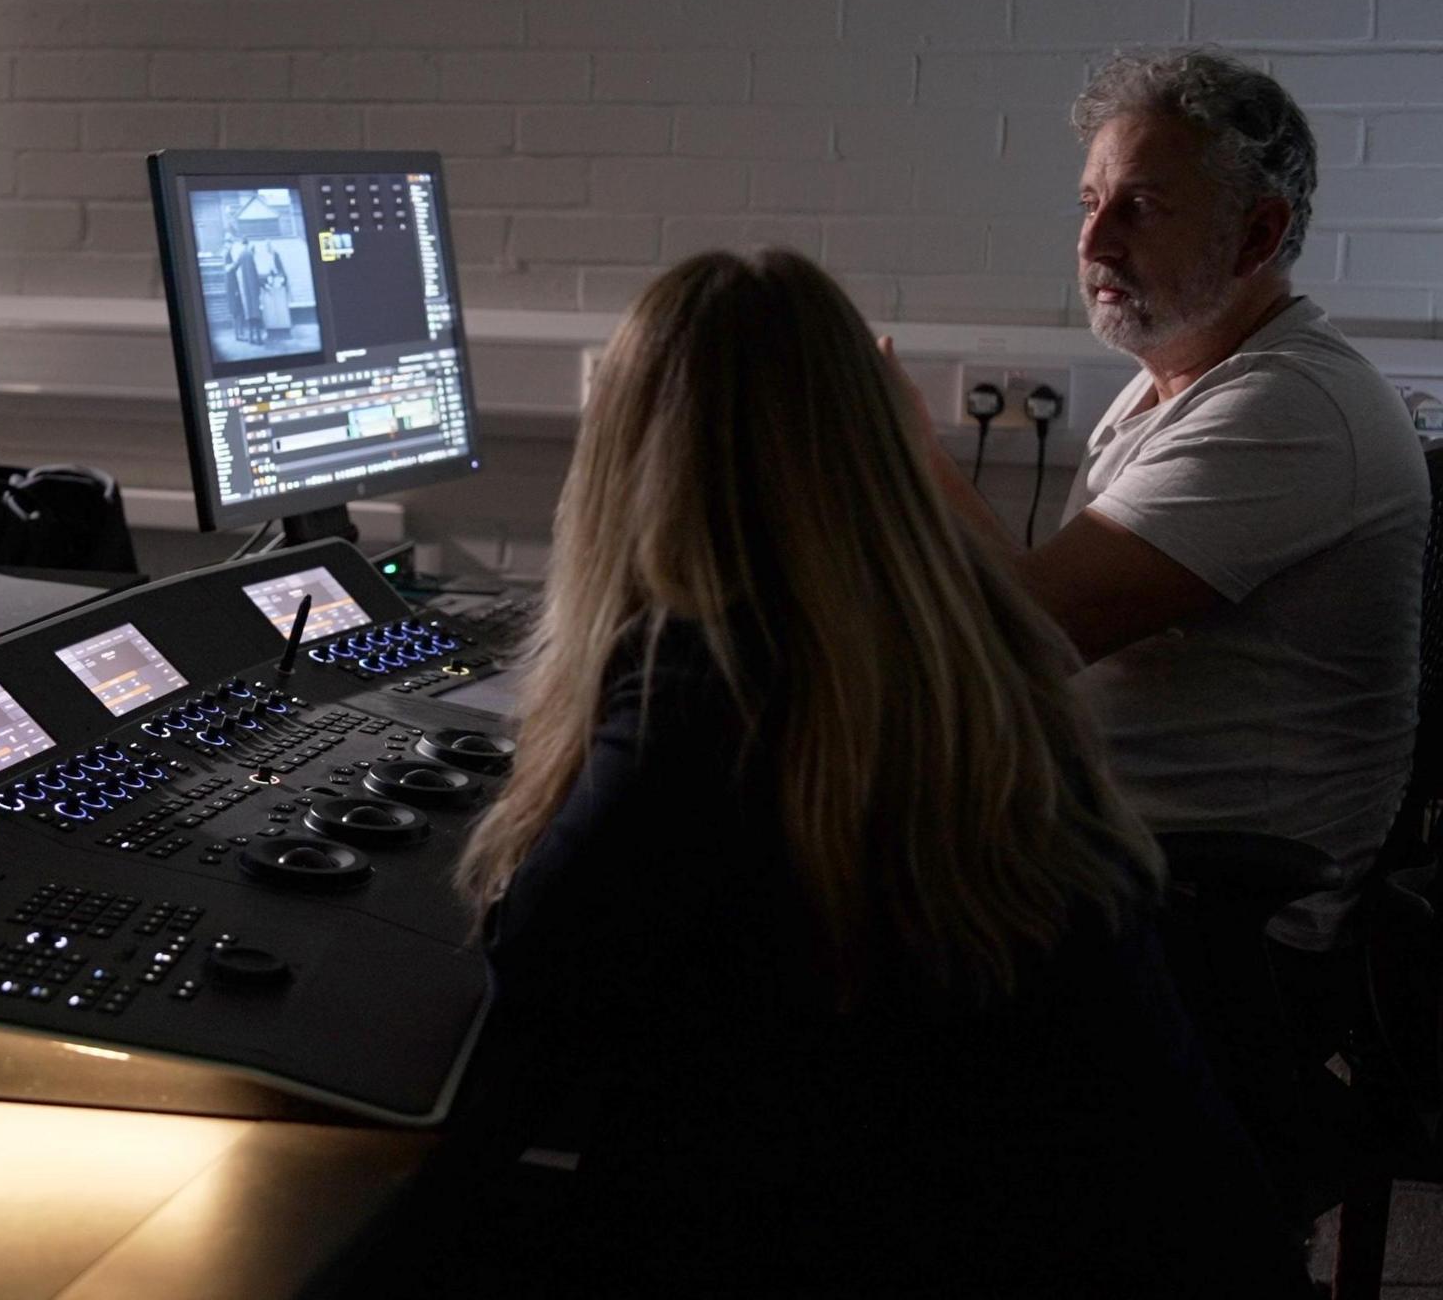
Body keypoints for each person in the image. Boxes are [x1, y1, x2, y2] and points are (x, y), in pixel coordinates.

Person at [337, 250, 1303, 1296]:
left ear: (625, 458)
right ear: (870, 443)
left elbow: (529, 991)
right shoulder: (960, 653)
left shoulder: (697, 692)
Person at [913, 48, 1427, 954]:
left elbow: (1017, 638)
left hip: (1199, 922)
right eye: (1089, 203)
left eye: (1140, 208)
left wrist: (892, 450)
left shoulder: (1288, 405)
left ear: (1258, 237)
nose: (1095, 240)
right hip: (1108, 872)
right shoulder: (1174, 383)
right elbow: (1030, 599)